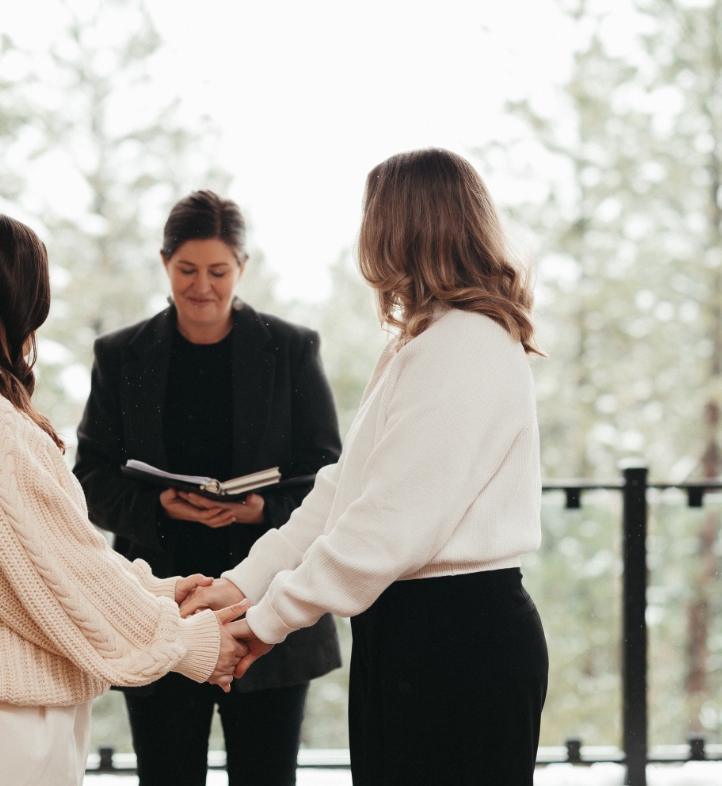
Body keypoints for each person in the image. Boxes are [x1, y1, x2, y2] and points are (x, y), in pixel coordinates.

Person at [181, 150, 550, 785]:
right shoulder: (424, 342)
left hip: (458, 642)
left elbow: (387, 526)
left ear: (401, 227)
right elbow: (342, 494)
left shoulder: (466, 345)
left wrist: (267, 622)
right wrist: (243, 585)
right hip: (411, 636)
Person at [0, 210, 250, 786]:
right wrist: (188, 643)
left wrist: (164, 593)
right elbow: (53, 572)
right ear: (16, 298)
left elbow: (39, 552)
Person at [73, 190, 342, 786]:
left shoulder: (293, 350)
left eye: (218, 271)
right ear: (164, 262)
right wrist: (161, 508)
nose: (202, 287)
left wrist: (260, 510)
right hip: (162, 609)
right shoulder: (120, 355)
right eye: (186, 270)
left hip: (268, 606)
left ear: (242, 267)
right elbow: (88, 479)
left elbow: (329, 478)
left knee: (266, 777)